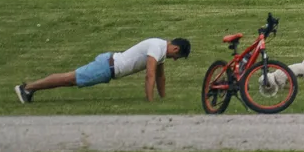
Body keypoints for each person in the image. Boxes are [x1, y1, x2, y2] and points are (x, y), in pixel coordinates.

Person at [14, 37, 190, 104]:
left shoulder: (160, 50)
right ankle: (27, 88)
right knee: (69, 79)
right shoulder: (156, 47)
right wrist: (150, 102)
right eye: (177, 57)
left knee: (70, 79)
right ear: (175, 49)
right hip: (107, 67)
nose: (174, 60)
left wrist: (163, 99)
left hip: (109, 65)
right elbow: (150, 75)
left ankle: (29, 89)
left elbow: (160, 77)